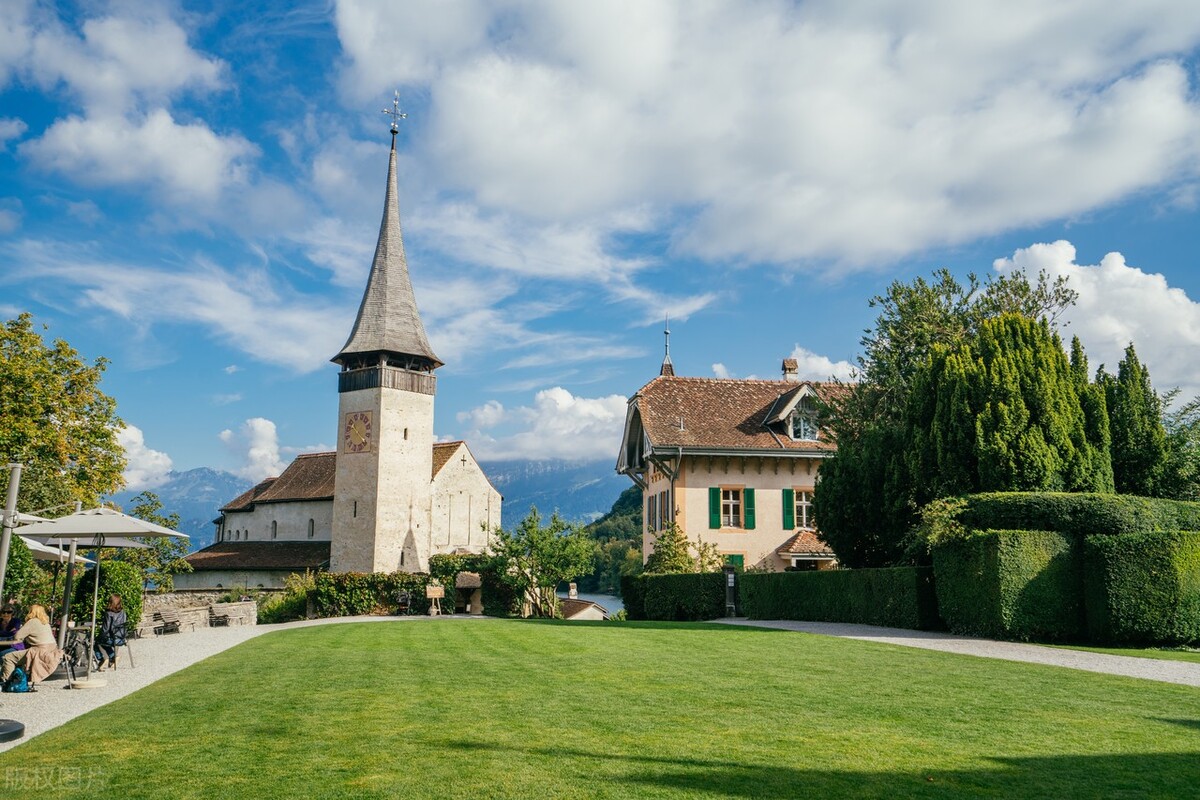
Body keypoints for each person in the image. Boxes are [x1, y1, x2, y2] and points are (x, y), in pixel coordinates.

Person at [1, 604, 61, 687]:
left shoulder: (33, 621)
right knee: (17, 657)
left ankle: (6, 683)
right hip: (52, 651)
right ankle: (17, 680)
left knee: (8, 657)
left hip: (39, 652)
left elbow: (17, 636)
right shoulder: (45, 622)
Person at [94, 594, 127, 671]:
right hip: (121, 639)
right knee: (103, 642)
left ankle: (101, 659)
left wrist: (99, 637)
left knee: (96, 642)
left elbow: (105, 629)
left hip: (112, 639)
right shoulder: (123, 612)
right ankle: (113, 657)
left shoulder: (108, 613)